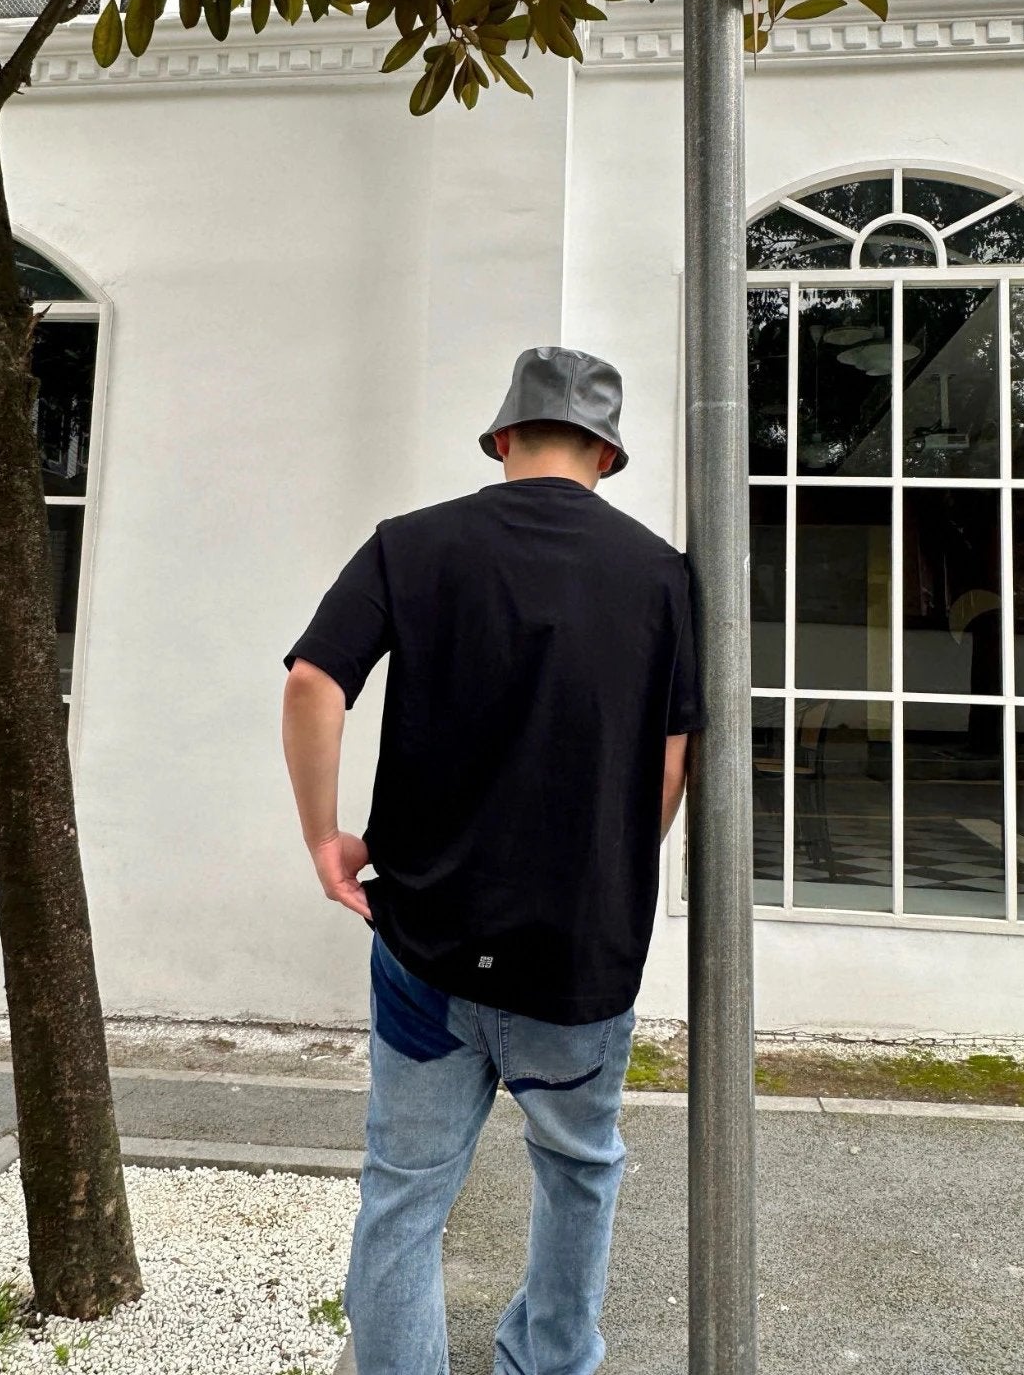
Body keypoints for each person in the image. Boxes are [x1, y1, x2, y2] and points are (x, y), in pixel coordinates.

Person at [282, 344, 704, 1375]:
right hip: (574, 958)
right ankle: (547, 1362)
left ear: (504, 437)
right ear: (607, 454)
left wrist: (327, 842)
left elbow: (311, 683)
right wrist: (601, 864)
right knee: (577, 1175)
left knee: (404, 1195)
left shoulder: (412, 544)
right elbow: (670, 763)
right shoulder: (661, 576)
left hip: (425, 947)